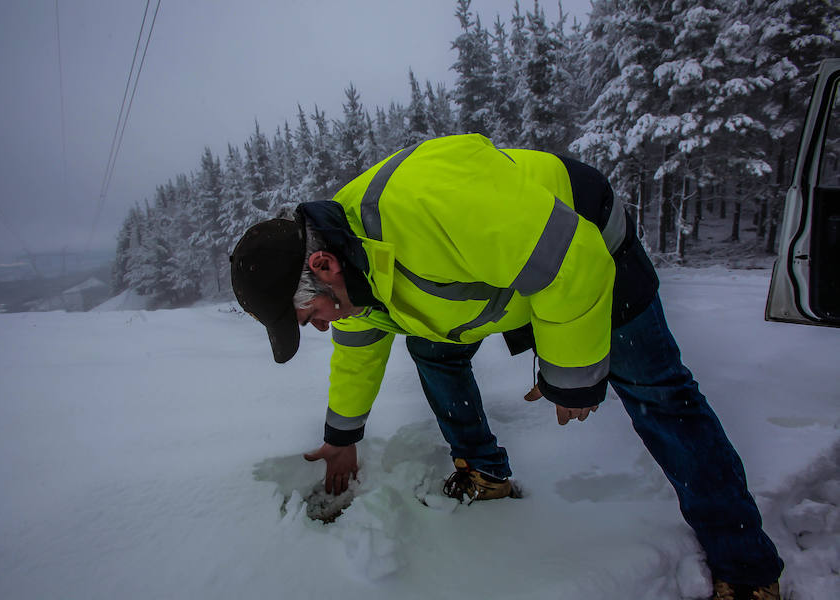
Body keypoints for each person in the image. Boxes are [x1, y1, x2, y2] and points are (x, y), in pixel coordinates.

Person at [229, 134, 783, 599]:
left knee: (659, 393)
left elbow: (572, 263)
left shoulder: (432, 206)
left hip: (578, 234)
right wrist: (343, 435)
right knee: (433, 349)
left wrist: (572, 376)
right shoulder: (343, 274)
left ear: (322, 267)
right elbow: (357, 351)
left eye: (308, 315)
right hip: (496, 280)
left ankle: (746, 565)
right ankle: (485, 471)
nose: (320, 326)